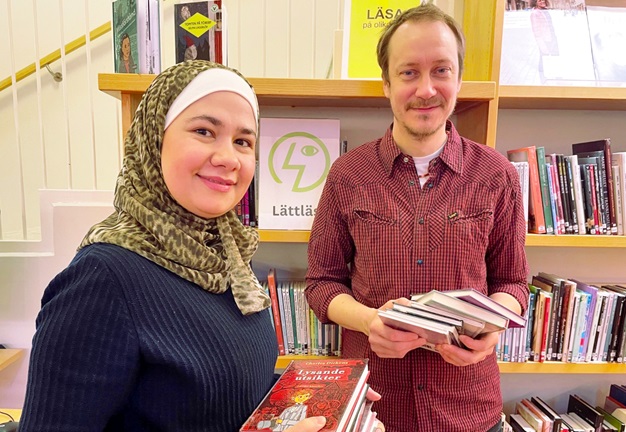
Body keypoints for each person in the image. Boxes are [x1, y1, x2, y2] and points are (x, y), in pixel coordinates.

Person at [19, 60, 382, 432]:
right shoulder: (103, 280)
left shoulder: (229, 260)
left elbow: (225, 397)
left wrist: (328, 402)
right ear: (154, 139)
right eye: (204, 131)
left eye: (243, 141)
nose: (227, 158)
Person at [305, 4, 529, 432]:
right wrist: (369, 321)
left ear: (459, 79)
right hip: (373, 410)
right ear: (387, 83)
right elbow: (322, 284)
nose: (426, 89)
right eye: (409, 73)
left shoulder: (497, 174)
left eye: (441, 70)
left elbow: (513, 283)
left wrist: (492, 328)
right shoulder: (347, 174)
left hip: (468, 410)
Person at [530, 0, 559, 83]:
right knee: (544, 59)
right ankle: (543, 80)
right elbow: (536, 32)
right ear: (535, 2)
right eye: (539, 0)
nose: (542, 1)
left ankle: (554, 77)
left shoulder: (544, 10)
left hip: (551, 38)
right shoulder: (535, 13)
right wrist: (542, 45)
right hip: (545, 40)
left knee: (553, 57)